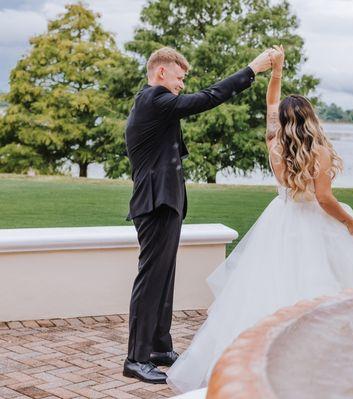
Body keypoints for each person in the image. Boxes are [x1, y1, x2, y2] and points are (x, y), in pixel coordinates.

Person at [166, 45, 353, 393]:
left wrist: (276, 72)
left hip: (279, 220)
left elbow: (270, 103)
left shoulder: (273, 139)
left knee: (269, 288)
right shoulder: (319, 151)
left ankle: (258, 365)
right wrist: (351, 224)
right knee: (320, 288)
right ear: (311, 118)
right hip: (311, 222)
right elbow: (324, 198)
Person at [123, 46, 273, 384]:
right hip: (155, 204)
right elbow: (208, 98)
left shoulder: (155, 105)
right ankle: (135, 359)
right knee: (150, 282)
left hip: (165, 203)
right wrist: (251, 69)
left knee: (164, 279)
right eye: (179, 77)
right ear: (161, 73)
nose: (181, 84)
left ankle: (159, 348)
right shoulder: (154, 101)